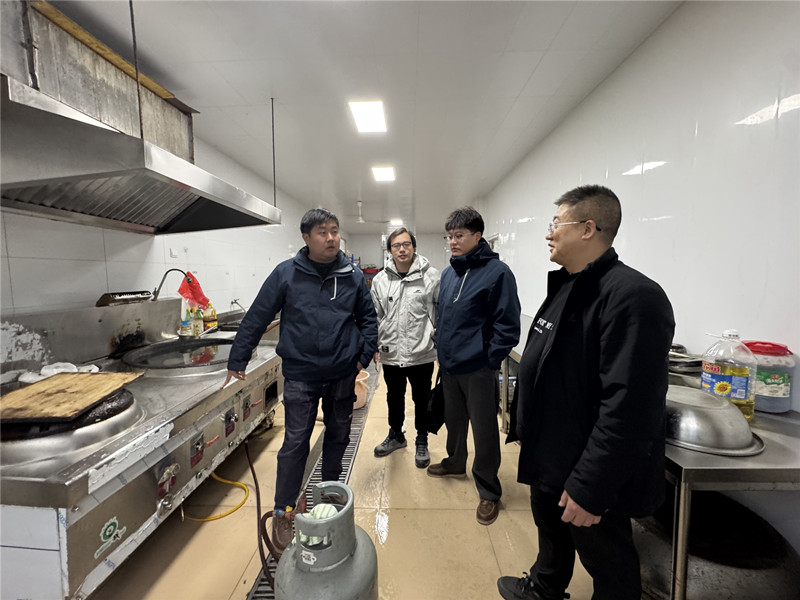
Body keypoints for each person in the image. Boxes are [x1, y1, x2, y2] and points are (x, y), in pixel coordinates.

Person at [497, 185, 675, 600]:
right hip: (553, 452)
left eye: (556, 223)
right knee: (550, 530)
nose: (548, 233)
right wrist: (527, 427)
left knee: (607, 559)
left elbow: (629, 408)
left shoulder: (633, 296)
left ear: (587, 228)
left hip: (588, 464)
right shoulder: (569, 286)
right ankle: (545, 587)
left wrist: (590, 486)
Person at [223, 208, 378, 560]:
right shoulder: (286, 274)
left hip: (342, 373)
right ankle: (284, 511)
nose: (331, 238)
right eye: (322, 232)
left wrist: (361, 358)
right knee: (294, 443)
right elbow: (257, 316)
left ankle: (328, 496)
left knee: (339, 436)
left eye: (334, 230)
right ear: (306, 238)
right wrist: (237, 359)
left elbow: (368, 319)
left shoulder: (352, 275)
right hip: (300, 374)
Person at [428, 207, 521, 526]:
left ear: (478, 236)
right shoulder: (448, 274)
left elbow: (507, 325)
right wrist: (441, 348)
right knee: (454, 420)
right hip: (450, 366)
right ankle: (455, 463)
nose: (453, 242)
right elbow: (444, 316)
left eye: (459, 235)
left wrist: (489, 360)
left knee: (484, 430)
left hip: (479, 368)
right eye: (449, 236)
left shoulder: (498, 273)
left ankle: (489, 490)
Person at [370, 227, 440, 468]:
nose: (402, 249)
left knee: (422, 398)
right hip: (391, 352)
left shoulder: (432, 277)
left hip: (422, 352)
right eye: (396, 245)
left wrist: (437, 341)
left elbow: (440, 313)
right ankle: (396, 435)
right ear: (390, 250)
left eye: (406, 244)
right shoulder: (380, 280)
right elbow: (375, 316)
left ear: (414, 247)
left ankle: (422, 438)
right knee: (394, 396)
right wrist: (375, 346)